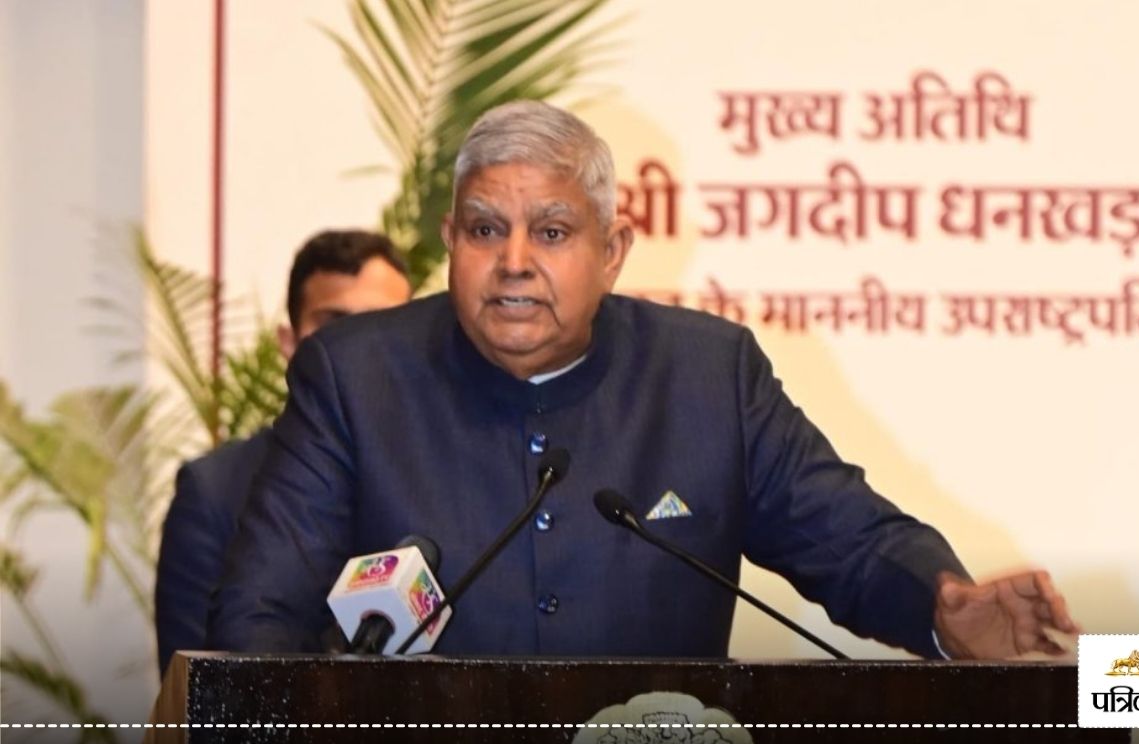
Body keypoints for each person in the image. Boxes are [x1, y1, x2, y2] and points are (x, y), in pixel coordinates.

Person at [209, 101, 1077, 660]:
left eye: (552, 232)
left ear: (613, 252)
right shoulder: (356, 377)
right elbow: (257, 618)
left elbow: (847, 539)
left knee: (1116, 692)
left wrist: (941, 604)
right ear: (451, 241)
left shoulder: (707, 378)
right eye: (485, 229)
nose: (514, 262)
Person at [154, 229, 412, 675]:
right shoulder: (213, 490)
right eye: (334, 326)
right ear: (289, 343)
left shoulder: (450, 475)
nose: (354, 351)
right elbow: (192, 687)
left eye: (379, 326)